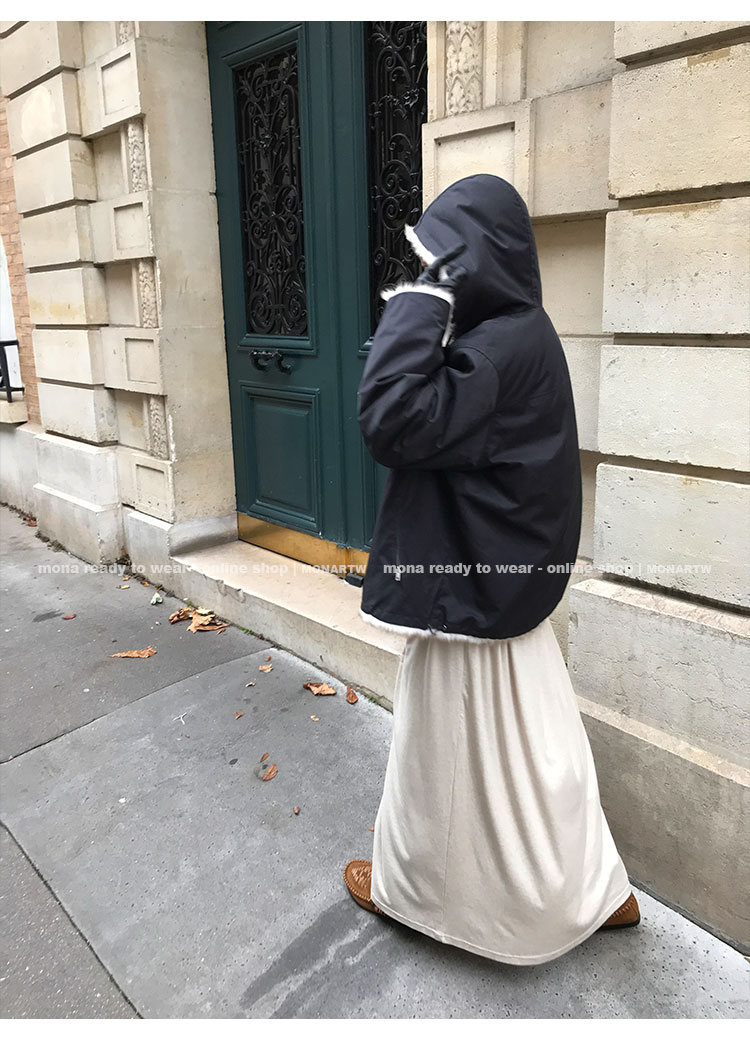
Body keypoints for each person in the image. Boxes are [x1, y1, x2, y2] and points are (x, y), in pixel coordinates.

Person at [343, 174, 640, 966]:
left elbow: (389, 416)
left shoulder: (496, 348)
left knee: (441, 758)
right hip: (500, 592)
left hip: (468, 594)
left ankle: (416, 896)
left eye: (440, 256)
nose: (428, 268)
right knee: (540, 752)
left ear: (469, 260)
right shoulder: (523, 332)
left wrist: (421, 297)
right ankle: (601, 887)